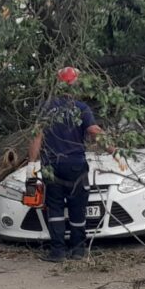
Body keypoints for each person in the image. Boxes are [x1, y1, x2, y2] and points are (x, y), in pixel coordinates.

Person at [27, 67, 104, 262]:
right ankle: (78, 250)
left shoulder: (46, 107)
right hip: (76, 166)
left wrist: (31, 165)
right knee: (78, 208)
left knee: (55, 209)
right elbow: (94, 131)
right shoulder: (81, 108)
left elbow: (37, 135)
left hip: (52, 165)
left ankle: (58, 252)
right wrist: (115, 151)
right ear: (76, 85)